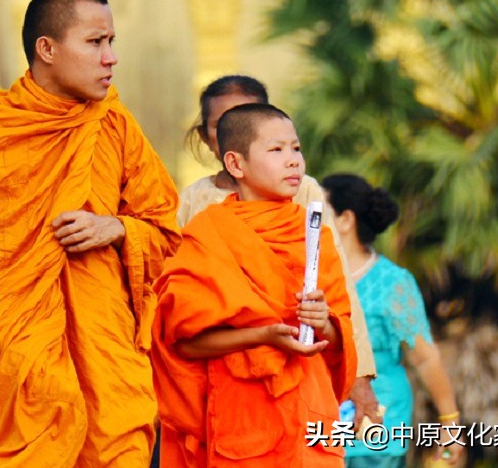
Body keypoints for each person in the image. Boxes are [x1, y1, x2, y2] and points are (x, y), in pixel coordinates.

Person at [0, 0, 181, 466]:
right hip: (26, 358)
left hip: (108, 361)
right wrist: (33, 355)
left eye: (111, 41)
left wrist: (118, 229)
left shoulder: (114, 125)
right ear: (46, 49)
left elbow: (166, 233)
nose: (110, 58)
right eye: (95, 42)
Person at [152, 103, 357, 466]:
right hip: (244, 419)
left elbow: (340, 342)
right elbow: (183, 343)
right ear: (235, 164)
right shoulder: (208, 234)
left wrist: (324, 323)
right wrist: (261, 336)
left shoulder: (315, 235)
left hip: (311, 417)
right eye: (276, 150)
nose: (293, 160)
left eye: (296, 148)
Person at [177, 75, 381, 428]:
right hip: (223, 375)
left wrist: (358, 370)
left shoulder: (304, 193)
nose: (291, 160)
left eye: (294, 148)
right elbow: (180, 306)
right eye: (223, 124)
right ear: (207, 138)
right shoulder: (195, 203)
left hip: (300, 363)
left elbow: (337, 285)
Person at [320, 174, 462, 467]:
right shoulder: (310, 277)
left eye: (319, 208)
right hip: (318, 426)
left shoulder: (393, 282)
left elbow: (424, 357)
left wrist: (449, 421)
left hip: (377, 433)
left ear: (346, 220)